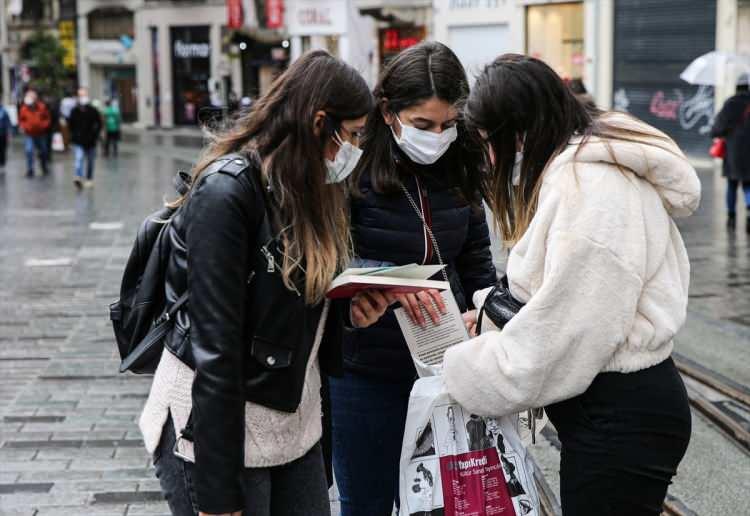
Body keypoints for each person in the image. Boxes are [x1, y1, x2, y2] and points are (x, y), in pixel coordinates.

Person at [444, 54, 699, 515]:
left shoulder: (590, 189)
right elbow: (562, 293)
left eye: (490, 142)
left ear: (518, 133)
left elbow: (568, 333)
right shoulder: (584, 169)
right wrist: (488, 312)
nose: (492, 158)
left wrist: (463, 369)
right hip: (619, 413)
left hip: (619, 417)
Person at [137, 50, 387, 516]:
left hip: (295, 421)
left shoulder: (315, 187)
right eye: (350, 135)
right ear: (318, 123)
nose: (354, 150)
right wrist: (218, 493)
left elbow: (295, 301)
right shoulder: (227, 192)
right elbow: (216, 348)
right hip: (216, 428)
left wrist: (349, 312)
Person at [329, 41, 496, 516]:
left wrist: (482, 312)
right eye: (423, 125)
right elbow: (326, 261)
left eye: (447, 125)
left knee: (451, 504)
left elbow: (477, 258)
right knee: (367, 502)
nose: (436, 136)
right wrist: (373, 288)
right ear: (388, 112)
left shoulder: (461, 164)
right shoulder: (352, 169)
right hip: (366, 372)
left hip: (448, 368)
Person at [711, 80, 750, 231]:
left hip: (733, 151)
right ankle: (749, 209)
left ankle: (731, 217)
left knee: (732, 185)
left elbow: (717, 129)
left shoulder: (730, 103)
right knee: (748, 184)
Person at [68, 87, 102, 189]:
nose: (82, 97)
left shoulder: (93, 110)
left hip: (91, 141)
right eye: (80, 95)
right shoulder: (74, 110)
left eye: (84, 95)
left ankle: (89, 178)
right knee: (79, 159)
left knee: (90, 161)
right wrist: (74, 135)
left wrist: (95, 134)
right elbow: (71, 124)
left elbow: (99, 123)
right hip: (79, 140)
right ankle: (78, 177)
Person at [18, 88, 51, 177]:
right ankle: (30, 170)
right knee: (29, 151)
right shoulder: (24, 108)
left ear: (35, 97)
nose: (29, 98)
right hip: (30, 134)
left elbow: (47, 118)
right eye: (28, 96)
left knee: (43, 151)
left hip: (40, 133)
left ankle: (44, 167)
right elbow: (21, 120)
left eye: (31, 96)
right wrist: (25, 127)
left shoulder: (41, 106)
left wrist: (43, 125)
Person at [0, 101, 12, 168]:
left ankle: (2, 162)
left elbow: (8, 123)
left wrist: (8, 134)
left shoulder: (4, 111)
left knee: (3, 149)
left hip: (3, 134)